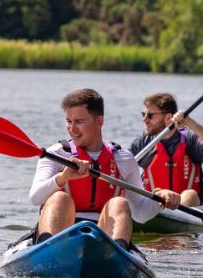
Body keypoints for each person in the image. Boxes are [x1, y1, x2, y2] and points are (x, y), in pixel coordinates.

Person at [28, 89, 181, 250]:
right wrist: (63, 177)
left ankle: (116, 254)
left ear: (99, 121)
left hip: (104, 238)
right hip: (61, 234)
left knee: (119, 203)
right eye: (68, 121)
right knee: (60, 198)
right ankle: (46, 250)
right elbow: (35, 197)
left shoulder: (124, 159)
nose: (72, 128)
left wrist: (160, 199)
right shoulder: (55, 154)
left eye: (79, 121)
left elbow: (140, 214)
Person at [130, 92, 203, 207]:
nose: (144, 119)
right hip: (155, 205)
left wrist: (190, 122)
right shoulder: (142, 143)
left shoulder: (189, 139)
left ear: (168, 117)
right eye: (143, 114)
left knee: (190, 194)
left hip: (189, 208)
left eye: (150, 115)